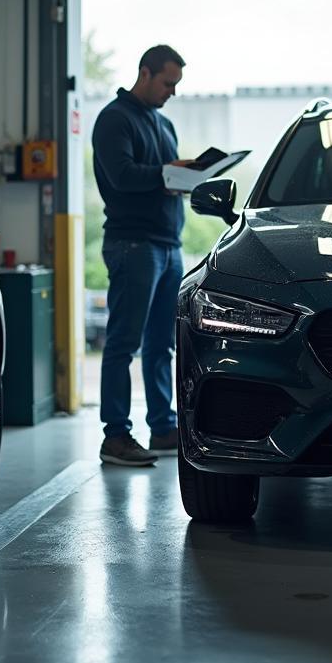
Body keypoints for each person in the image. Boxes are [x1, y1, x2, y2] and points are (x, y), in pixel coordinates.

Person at [92, 44, 196, 466]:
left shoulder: (165, 123)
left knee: (160, 345)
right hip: (133, 244)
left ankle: (163, 428)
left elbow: (159, 180)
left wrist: (187, 176)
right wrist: (167, 175)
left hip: (168, 246)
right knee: (123, 343)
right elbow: (121, 177)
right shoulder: (113, 120)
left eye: (176, 85)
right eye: (168, 83)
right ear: (145, 73)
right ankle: (115, 436)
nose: (172, 92)